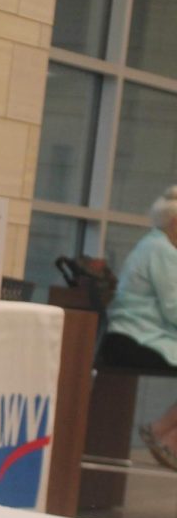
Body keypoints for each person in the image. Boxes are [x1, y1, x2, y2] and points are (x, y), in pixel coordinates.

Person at [100, 185, 177, 469]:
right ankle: (164, 435)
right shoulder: (162, 251)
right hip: (134, 339)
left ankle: (164, 433)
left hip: (134, 336)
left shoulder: (152, 245)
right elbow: (174, 308)